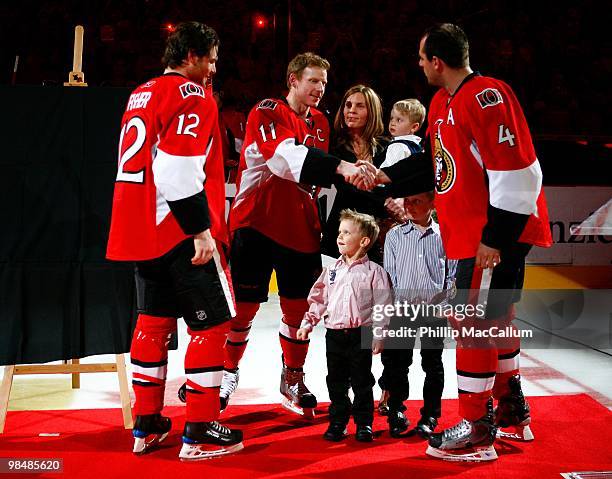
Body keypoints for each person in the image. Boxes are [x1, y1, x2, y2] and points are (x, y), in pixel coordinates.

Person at [106, 22, 243, 460]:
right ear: (193, 55)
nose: (215, 68)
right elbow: (176, 171)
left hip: (139, 227)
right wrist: (200, 230)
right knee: (213, 326)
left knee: (152, 322)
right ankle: (199, 430)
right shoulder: (192, 94)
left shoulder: (141, 92)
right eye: (213, 58)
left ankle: (146, 425)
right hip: (177, 228)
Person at [417, 23, 552, 461]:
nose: (420, 65)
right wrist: (383, 178)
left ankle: (477, 430)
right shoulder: (442, 102)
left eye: (422, 58)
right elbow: (435, 164)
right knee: (495, 321)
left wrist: (494, 240)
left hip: (490, 240)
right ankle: (512, 415)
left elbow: (521, 173)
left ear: (438, 61)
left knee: (471, 324)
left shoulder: (486, 95)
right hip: (473, 238)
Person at [221, 53, 374, 417]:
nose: (320, 89)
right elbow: (285, 161)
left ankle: (292, 376)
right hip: (255, 223)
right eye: (312, 81)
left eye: (323, 82)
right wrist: (342, 166)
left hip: (301, 227)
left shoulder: (321, 122)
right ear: (292, 80)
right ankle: (227, 373)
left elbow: (350, 147)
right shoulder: (268, 110)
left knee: (298, 311)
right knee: (243, 310)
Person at [297, 209, 392, 442]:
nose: (339, 236)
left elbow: (383, 305)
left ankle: (363, 423)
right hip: (335, 335)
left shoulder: (375, 272)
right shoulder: (332, 271)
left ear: (364, 241)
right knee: (336, 381)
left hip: (362, 334)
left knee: (362, 380)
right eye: (340, 232)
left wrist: (379, 335)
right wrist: (308, 322)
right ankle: (338, 421)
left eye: (346, 233)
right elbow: (319, 299)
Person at [381, 191, 456, 439]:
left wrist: (446, 304)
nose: (410, 206)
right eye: (407, 200)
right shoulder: (394, 236)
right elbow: (389, 278)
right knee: (397, 364)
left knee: (433, 364)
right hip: (402, 309)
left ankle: (430, 415)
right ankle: (396, 412)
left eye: (417, 201)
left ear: (432, 204)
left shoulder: (445, 236)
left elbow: (452, 275)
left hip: (434, 311)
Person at [321, 85, 393, 264]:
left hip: (374, 236)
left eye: (359, 106)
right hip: (340, 233)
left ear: (372, 111)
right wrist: (386, 202)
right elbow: (349, 188)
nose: (351, 110)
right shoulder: (334, 146)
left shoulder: (386, 147)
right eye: (348, 105)